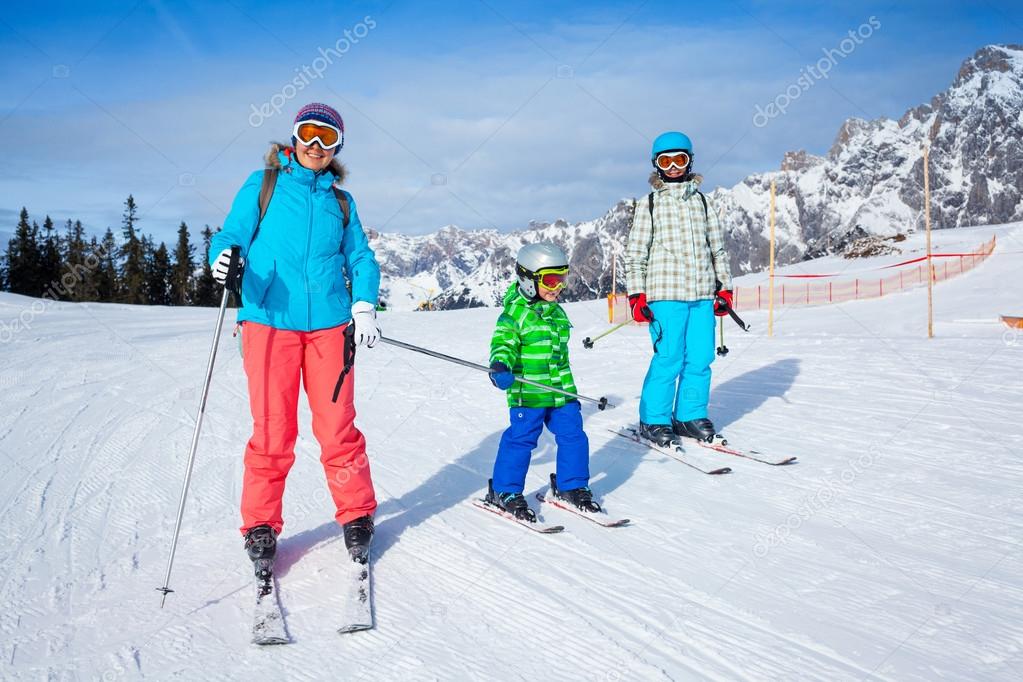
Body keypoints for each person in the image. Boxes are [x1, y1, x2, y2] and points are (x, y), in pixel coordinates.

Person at [209, 102, 380, 567]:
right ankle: (261, 525)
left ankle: (357, 514)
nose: (316, 145)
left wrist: (363, 302)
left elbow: (360, 257)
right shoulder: (264, 184)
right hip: (268, 322)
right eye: (309, 133)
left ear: (337, 147)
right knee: (273, 430)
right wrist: (221, 258)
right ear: (293, 136)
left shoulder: (341, 202)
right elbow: (230, 236)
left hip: (329, 327)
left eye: (328, 138)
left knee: (337, 429)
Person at [624, 131, 733, 446]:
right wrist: (636, 295)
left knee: (700, 357)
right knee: (669, 357)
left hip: (701, 295)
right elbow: (636, 254)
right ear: (656, 165)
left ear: (690, 162)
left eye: (680, 159)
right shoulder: (650, 204)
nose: (673, 167)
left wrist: (723, 288)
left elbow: (718, 250)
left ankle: (689, 415)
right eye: (666, 161)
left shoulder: (702, 201)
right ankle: (654, 419)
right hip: (665, 294)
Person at [484, 243, 601, 521]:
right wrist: (500, 366)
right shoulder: (514, 315)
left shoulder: (557, 313)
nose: (557, 287)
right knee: (521, 439)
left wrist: (566, 390)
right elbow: (503, 345)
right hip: (529, 393)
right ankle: (504, 490)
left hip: (561, 392)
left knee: (574, 436)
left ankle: (570, 485)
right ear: (527, 279)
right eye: (550, 279)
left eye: (562, 278)